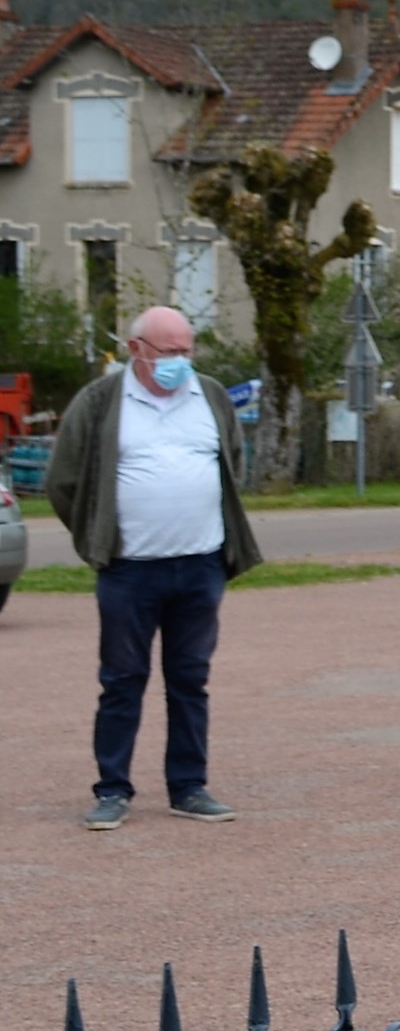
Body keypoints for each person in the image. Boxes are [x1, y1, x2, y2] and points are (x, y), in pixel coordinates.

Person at [45, 306, 262, 830]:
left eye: (188, 350)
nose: (182, 361)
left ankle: (188, 787)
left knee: (190, 679)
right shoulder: (101, 402)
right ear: (137, 349)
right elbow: (64, 480)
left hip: (200, 565)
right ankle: (112, 790)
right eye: (171, 352)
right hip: (129, 570)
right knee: (122, 680)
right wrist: (96, 537)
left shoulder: (208, 396)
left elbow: (233, 459)